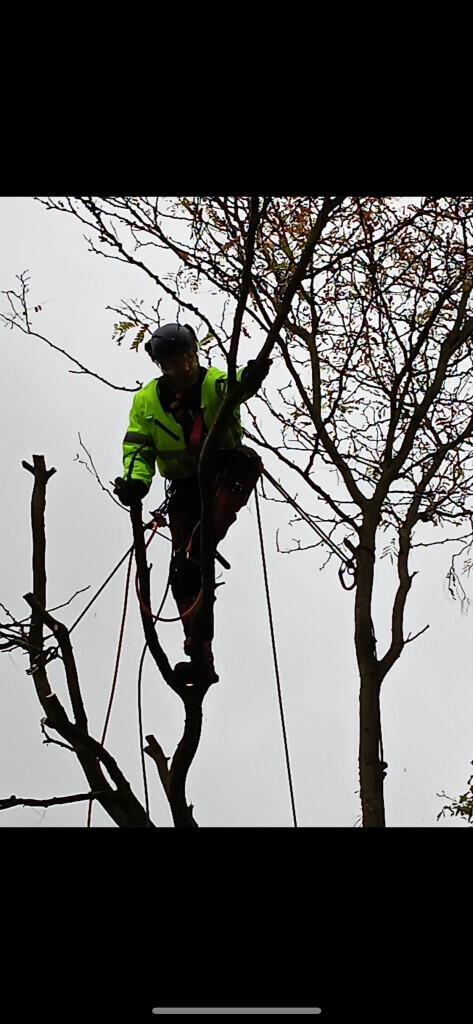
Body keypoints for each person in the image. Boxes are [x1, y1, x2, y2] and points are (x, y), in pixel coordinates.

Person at [114, 323, 270, 675]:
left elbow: (234, 385)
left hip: (229, 471)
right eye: (173, 362)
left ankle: (202, 546)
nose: (184, 367)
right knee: (184, 571)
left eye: (188, 357)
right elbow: (139, 447)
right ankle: (199, 653)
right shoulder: (147, 402)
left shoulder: (213, 383)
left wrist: (253, 375)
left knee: (198, 547)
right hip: (184, 487)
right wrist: (135, 483)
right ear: (160, 366)